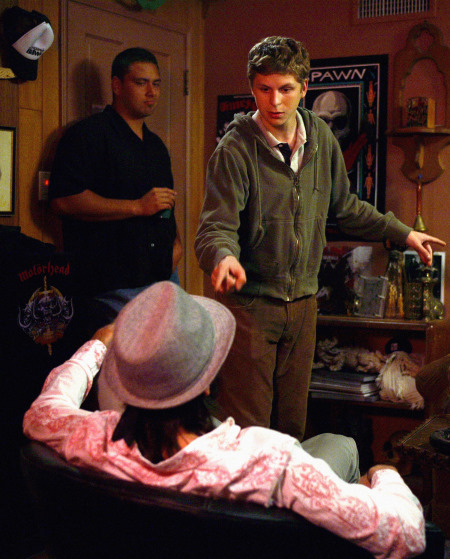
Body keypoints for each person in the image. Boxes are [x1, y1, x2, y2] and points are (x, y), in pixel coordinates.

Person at [23, 281, 425, 558]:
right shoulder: (273, 463)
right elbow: (406, 534)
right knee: (345, 448)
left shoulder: (87, 436)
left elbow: (45, 406)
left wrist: (96, 346)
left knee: (335, 446)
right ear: (206, 385)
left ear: (124, 382)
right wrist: (387, 475)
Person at [194, 36, 446, 441]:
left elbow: (345, 208)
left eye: (285, 89)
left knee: (291, 425)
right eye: (263, 89)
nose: (274, 101)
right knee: (249, 431)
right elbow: (215, 226)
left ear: (304, 87)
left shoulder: (321, 138)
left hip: (303, 305)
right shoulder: (235, 149)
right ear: (252, 88)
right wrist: (223, 256)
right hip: (251, 306)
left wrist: (402, 233)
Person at [49, 47, 182, 326]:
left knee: (178, 351)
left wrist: (176, 244)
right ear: (117, 85)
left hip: (164, 278)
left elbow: (165, 203)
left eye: (156, 84)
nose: (152, 92)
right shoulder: (87, 135)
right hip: (113, 284)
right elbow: (64, 200)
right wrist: (136, 207)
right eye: (141, 82)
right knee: (128, 355)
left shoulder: (156, 146)